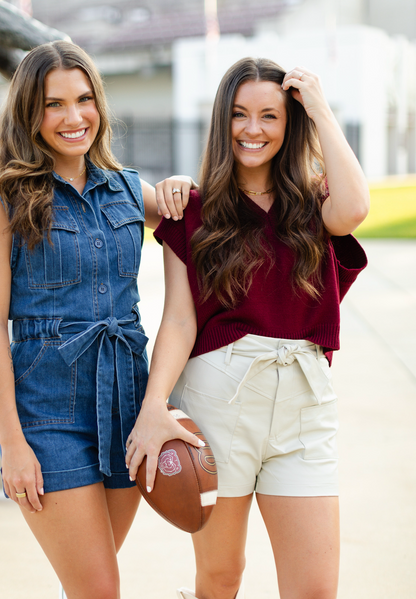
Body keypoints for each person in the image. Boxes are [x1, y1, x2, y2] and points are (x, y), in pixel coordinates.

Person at [126, 57, 370, 599]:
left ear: (291, 124)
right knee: (220, 578)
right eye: (239, 115)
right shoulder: (190, 209)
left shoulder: (313, 202)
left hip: (304, 406)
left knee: (314, 590)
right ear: (223, 121)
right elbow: (179, 320)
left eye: (270, 116)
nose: (253, 129)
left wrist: (321, 107)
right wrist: (154, 407)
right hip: (219, 403)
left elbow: (355, 209)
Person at [0, 40, 201, 599]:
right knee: (97, 588)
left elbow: (209, 214)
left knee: (91, 584)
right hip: (47, 414)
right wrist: (10, 444)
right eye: (53, 104)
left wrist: (181, 188)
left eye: (84, 99)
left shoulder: (127, 189)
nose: (73, 117)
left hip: (127, 408)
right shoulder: (10, 200)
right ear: (29, 115)